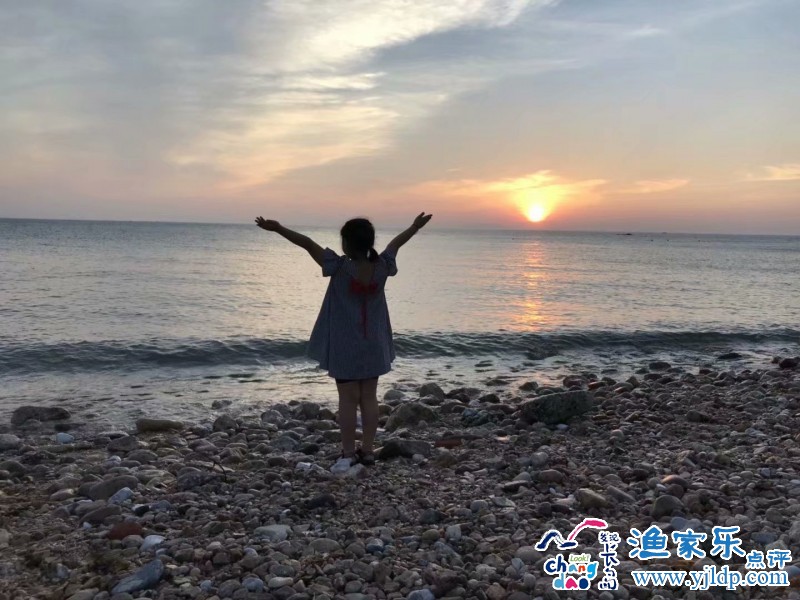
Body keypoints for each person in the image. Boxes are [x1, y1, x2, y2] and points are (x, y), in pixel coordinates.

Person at [255, 212, 432, 472]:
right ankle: (368, 451)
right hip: (374, 344)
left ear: (346, 243)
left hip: (345, 345)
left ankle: (349, 452)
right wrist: (415, 226)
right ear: (369, 242)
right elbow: (396, 243)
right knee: (369, 397)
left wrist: (279, 228)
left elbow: (307, 243)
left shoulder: (338, 267)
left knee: (348, 399)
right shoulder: (382, 266)